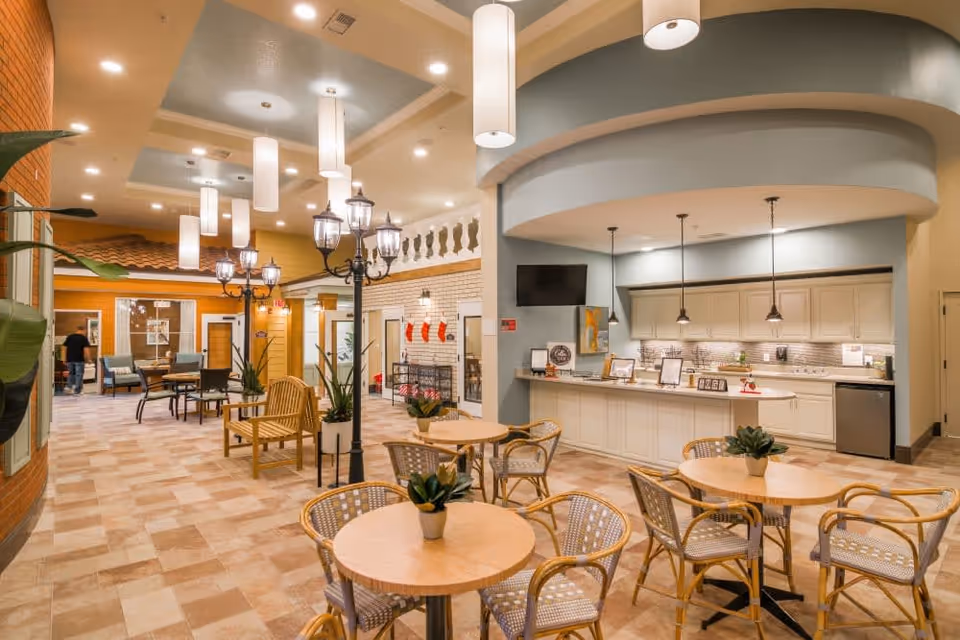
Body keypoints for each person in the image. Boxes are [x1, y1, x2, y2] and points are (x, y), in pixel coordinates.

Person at [62, 326, 91, 395]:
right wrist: (89, 359)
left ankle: (69, 387)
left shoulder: (70, 337)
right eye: (85, 331)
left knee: (70, 373)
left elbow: (64, 347)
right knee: (79, 374)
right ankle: (77, 390)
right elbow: (86, 350)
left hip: (69, 359)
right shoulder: (83, 338)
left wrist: (64, 359)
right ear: (83, 330)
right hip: (79, 359)